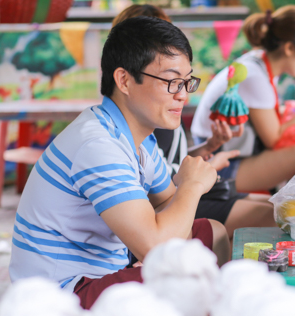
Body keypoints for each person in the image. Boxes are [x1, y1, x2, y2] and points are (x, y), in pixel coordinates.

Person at [9, 16, 231, 309]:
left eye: (187, 81)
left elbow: (167, 208)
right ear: (124, 80)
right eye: (172, 81)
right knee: (176, 276)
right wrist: (191, 186)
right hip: (59, 296)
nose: (183, 95)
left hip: (100, 273)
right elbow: (157, 247)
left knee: (211, 233)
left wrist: (183, 200)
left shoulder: (138, 139)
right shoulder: (98, 145)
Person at [113, 4, 275, 238]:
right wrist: (208, 168)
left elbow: (163, 163)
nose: (182, 94)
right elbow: (154, 186)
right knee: (270, 214)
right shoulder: (143, 109)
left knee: (271, 205)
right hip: (172, 200)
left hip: (180, 191)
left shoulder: (157, 107)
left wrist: (208, 147)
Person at [191, 5, 295, 193]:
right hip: (217, 165)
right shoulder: (255, 77)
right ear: (290, 48)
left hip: (228, 155)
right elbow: (275, 138)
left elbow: (273, 118)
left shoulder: (259, 63)